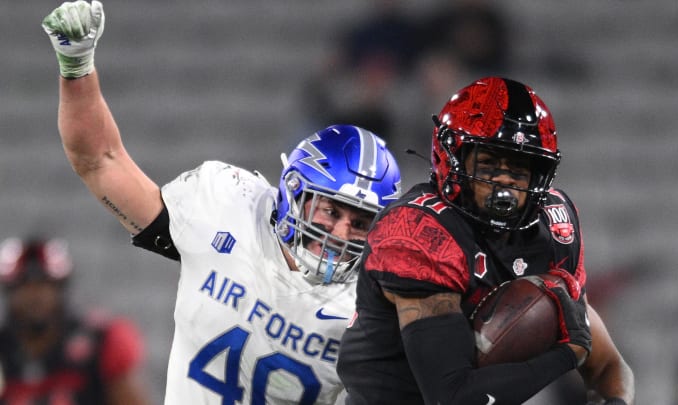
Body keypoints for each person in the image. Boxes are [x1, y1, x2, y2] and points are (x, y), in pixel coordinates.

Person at [41, 1, 402, 404]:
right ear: (295, 193)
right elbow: (98, 160)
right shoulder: (228, 206)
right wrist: (77, 67)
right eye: (331, 211)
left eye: (360, 222)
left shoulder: (377, 303)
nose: (339, 232)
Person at [337, 77, 635, 404]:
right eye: (489, 163)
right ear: (452, 158)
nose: (505, 181)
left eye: (519, 169)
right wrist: (567, 355)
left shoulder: (552, 224)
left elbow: (608, 367)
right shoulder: (418, 232)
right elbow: (453, 397)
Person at [0, 237, 149, 404]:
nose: (36, 296)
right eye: (25, 286)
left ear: (61, 289)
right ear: (9, 291)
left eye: (45, 285)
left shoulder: (99, 342)